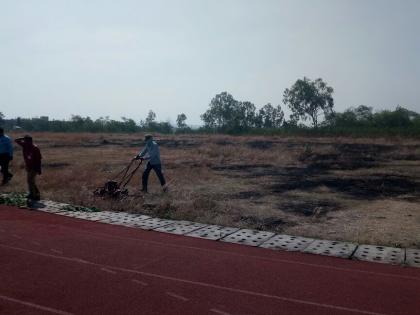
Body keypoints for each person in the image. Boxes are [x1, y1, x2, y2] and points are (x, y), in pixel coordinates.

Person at [15, 135, 42, 201]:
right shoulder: (25, 145)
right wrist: (22, 138)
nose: (25, 142)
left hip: (34, 167)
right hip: (28, 166)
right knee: (30, 181)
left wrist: (38, 169)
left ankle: (34, 195)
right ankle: (35, 194)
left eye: (26, 141)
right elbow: (16, 140)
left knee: (30, 181)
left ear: (30, 141)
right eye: (25, 141)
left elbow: (39, 159)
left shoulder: (35, 148)